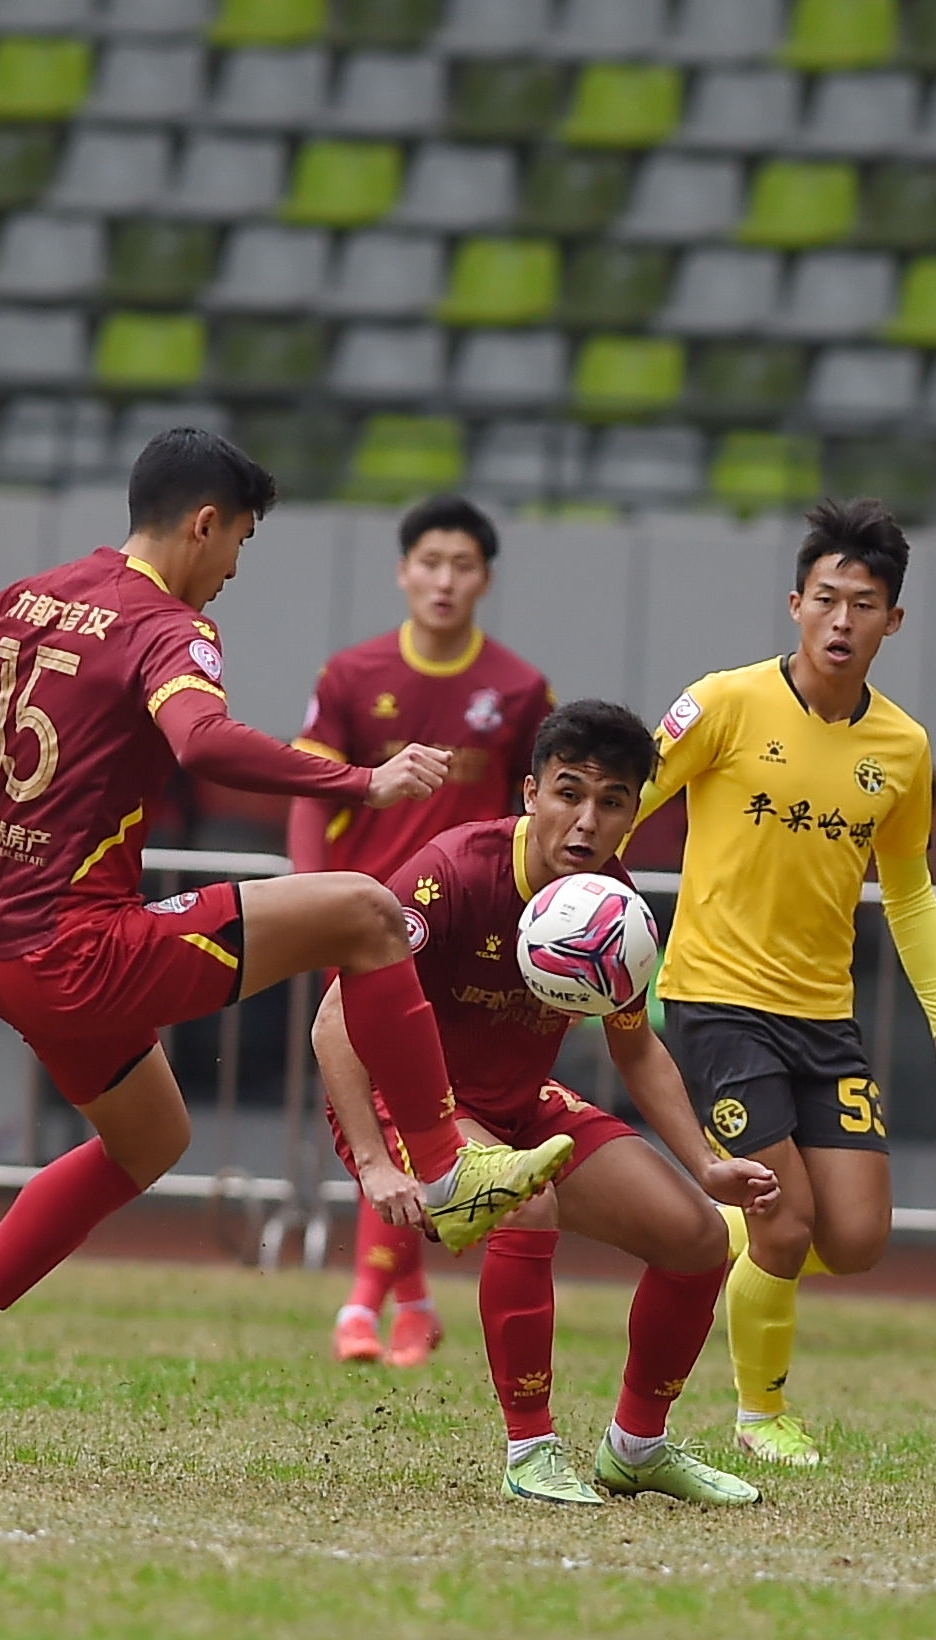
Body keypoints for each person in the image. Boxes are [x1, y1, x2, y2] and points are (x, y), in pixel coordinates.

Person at [0, 428, 573, 1470]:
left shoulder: (33, 596)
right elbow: (201, 739)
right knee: (369, 912)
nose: (234, 568)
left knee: (148, 1140)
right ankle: (450, 1164)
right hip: (78, 945)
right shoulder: (169, 626)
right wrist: (362, 782)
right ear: (203, 522)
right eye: (237, 541)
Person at [318, 700, 779, 1507]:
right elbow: (336, 1019)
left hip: (520, 1104)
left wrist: (705, 1162)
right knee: (529, 1204)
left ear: (634, 812)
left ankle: (636, 1448)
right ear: (531, 793)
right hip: (414, 1110)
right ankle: (530, 1451)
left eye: (612, 802)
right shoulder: (453, 871)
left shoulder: (614, 900)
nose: (586, 820)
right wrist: (370, 1159)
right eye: (569, 793)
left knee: (699, 1239)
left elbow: (634, 1044)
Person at [638, 497, 936, 1470]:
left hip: (822, 1014)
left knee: (860, 1234)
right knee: (786, 1220)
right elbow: (622, 803)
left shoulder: (900, 750)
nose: (842, 619)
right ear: (794, 603)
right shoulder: (723, 703)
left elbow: (909, 893)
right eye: (825, 597)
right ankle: (760, 1412)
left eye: (863, 602)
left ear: (892, 621)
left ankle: (734, 1230)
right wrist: (562, 902)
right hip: (714, 999)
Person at [289, 494, 551, 1370]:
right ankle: (398, 1302)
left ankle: (374, 1304)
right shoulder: (351, 676)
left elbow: (540, 815)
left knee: (409, 1113)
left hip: (465, 936)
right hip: (368, 924)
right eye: (429, 562)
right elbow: (312, 791)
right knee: (392, 1110)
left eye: (462, 565)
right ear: (403, 571)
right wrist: (307, 899)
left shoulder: (517, 690)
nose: (444, 580)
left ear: (485, 578)